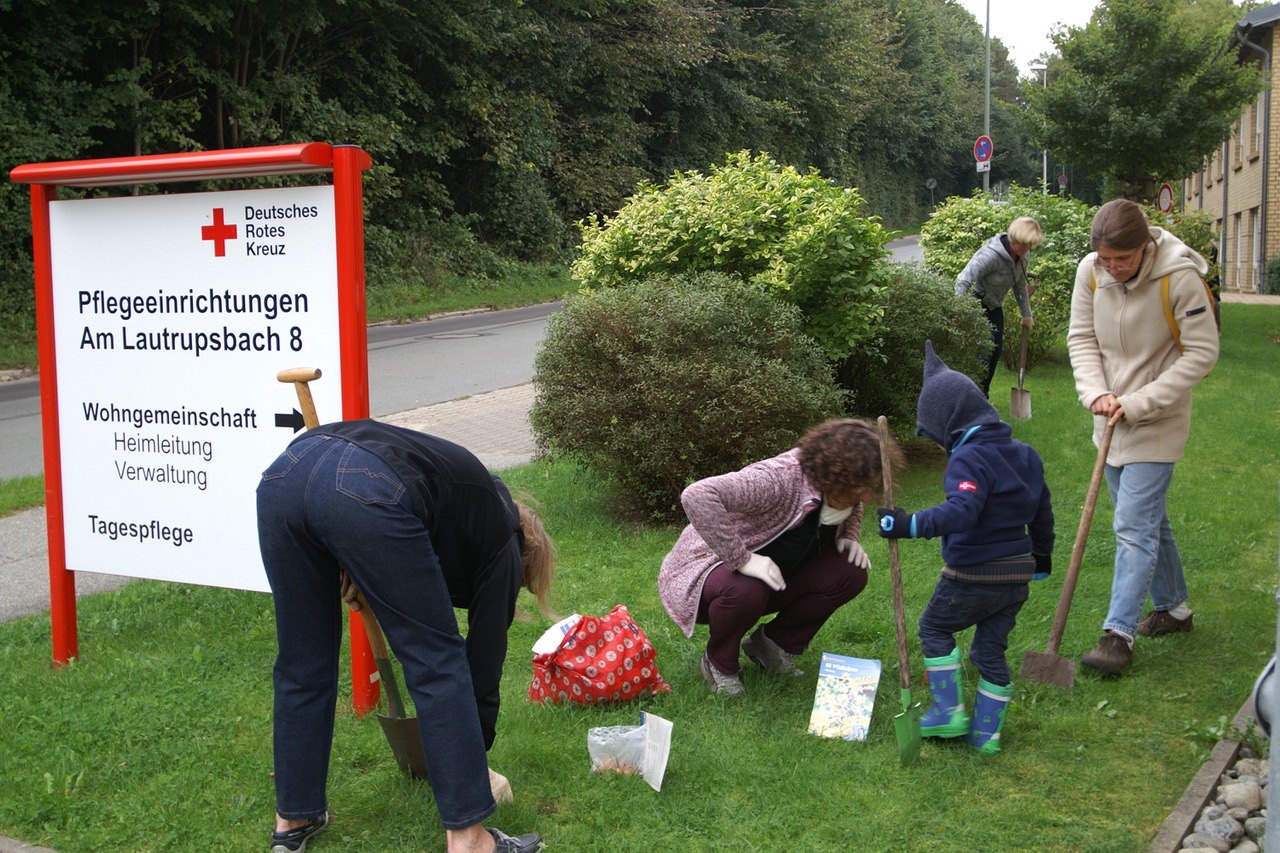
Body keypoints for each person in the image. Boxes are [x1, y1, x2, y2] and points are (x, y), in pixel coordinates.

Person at [255, 419, 554, 853]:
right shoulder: (504, 541)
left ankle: (293, 818)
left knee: (302, 663)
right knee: (437, 662)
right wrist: (476, 764)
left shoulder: (462, 502)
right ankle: (470, 840)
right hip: (366, 486)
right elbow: (481, 666)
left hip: (286, 475)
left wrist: (352, 566)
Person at [877, 341, 1054, 754]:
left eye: (936, 437)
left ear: (950, 423)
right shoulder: (1026, 455)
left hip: (974, 573)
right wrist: (1041, 555)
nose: (939, 448)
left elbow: (963, 512)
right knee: (989, 651)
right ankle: (986, 736)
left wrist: (907, 524)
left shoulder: (969, 458)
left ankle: (948, 713)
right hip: (1017, 577)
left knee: (935, 628)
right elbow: (1042, 510)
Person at [1067, 199, 1219, 677]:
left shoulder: (1180, 278)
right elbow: (1081, 338)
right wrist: (1095, 394)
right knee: (1150, 520)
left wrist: (1138, 403)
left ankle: (1118, 635)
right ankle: (1174, 609)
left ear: (1146, 246)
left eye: (1123, 260)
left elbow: (1202, 353)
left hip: (1156, 421)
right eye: (1105, 259)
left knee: (1133, 528)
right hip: (1108, 421)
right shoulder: (1090, 273)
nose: (1113, 269)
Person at [658, 418, 902, 698]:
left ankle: (770, 645)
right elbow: (698, 495)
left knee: (850, 572)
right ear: (834, 476)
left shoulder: (838, 486)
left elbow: (853, 504)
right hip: (706, 574)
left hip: (776, 570)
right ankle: (719, 663)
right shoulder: (777, 479)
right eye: (859, 488)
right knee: (745, 588)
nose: (866, 497)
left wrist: (850, 535)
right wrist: (742, 559)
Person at [954, 216, 1044, 397]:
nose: (1025, 250)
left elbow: (1020, 287)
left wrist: (1027, 315)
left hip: (995, 307)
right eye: (1022, 244)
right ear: (1014, 238)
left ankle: (982, 395)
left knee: (995, 351)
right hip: (975, 304)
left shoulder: (1023, 256)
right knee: (983, 352)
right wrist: (957, 310)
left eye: (1029, 246)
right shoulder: (991, 255)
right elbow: (964, 279)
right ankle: (970, 396)